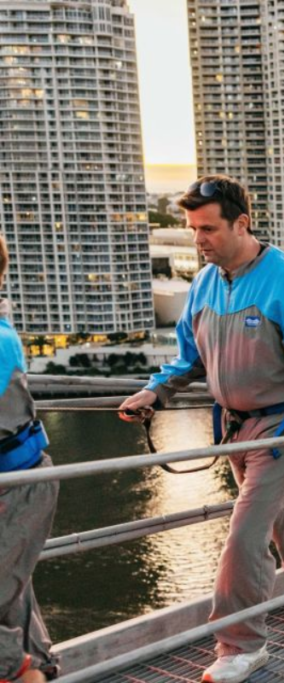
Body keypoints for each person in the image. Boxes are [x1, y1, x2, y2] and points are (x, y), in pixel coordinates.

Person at [119, 176, 284, 683]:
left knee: (244, 535)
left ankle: (241, 644)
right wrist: (155, 392)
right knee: (279, 517)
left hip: (282, 425)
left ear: (241, 223)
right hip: (233, 426)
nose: (198, 240)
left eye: (207, 228)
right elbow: (188, 357)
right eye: (191, 230)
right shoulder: (205, 283)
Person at [0, 236, 59, 683]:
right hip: (14, 483)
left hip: (18, 488)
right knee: (10, 600)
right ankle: (32, 668)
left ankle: (23, 669)